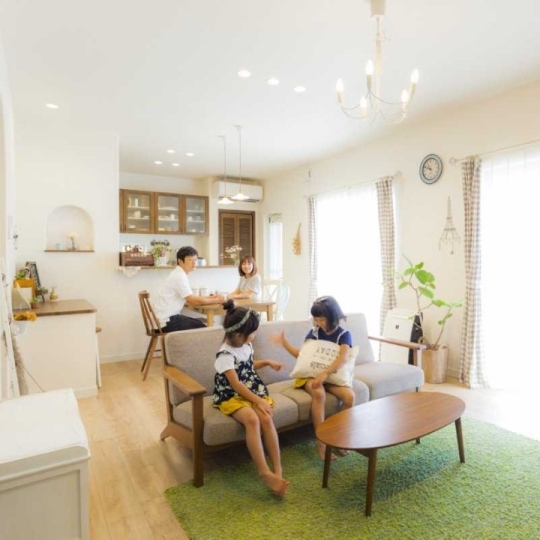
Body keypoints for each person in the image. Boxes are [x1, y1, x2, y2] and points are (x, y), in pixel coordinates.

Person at [213, 300, 290, 496]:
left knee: (266, 418)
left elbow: (248, 366)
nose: (255, 336)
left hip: (250, 389)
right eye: (253, 333)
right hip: (232, 394)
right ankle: (264, 472)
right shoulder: (224, 355)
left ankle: (277, 470)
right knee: (252, 419)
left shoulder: (246, 344)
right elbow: (236, 384)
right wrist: (259, 400)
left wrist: (267, 362)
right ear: (239, 334)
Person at [272, 295, 355, 460]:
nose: (318, 323)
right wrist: (284, 343)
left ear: (332, 316)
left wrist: (325, 373)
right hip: (311, 376)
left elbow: (343, 358)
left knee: (350, 397)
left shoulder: (344, 334)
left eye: (321, 319)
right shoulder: (314, 333)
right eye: (316, 319)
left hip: (331, 377)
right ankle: (321, 443)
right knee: (318, 393)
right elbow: (302, 355)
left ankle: (337, 435)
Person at [153, 246, 225, 332]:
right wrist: (217, 300)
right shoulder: (179, 276)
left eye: (196, 260)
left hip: (163, 319)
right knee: (203, 329)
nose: (194, 263)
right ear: (180, 261)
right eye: (190, 260)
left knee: (200, 324)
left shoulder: (178, 273)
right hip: (167, 321)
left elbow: (191, 297)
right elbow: (193, 300)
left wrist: (212, 298)